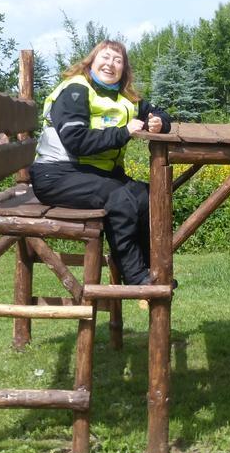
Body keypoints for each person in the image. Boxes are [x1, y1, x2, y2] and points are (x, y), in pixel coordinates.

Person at [30, 39, 172, 286]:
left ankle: (153, 269)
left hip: (94, 175)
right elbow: (76, 141)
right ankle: (135, 276)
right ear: (91, 62)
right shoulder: (75, 90)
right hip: (56, 175)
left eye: (118, 60)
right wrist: (123, 132)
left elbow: (158, 112)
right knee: (120, 198)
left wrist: (159, 122)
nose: (111, 64)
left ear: (124, 68)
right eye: (105, 58)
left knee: (148, 195)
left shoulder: (126, 97)